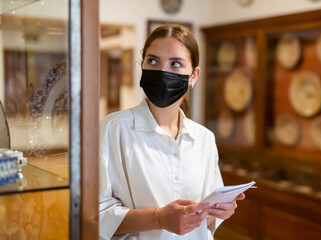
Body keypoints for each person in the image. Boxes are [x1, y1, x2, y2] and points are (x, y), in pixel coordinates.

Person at [99, 23, 245, 240]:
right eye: (153, 61)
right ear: (142, 65)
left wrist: (219, 212)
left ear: (193, 76)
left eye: (175, 63)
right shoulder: (113, 129)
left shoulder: (204, 138)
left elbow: (205, 220)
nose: (162, 71)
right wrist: (158, 218)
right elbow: (95, 215)